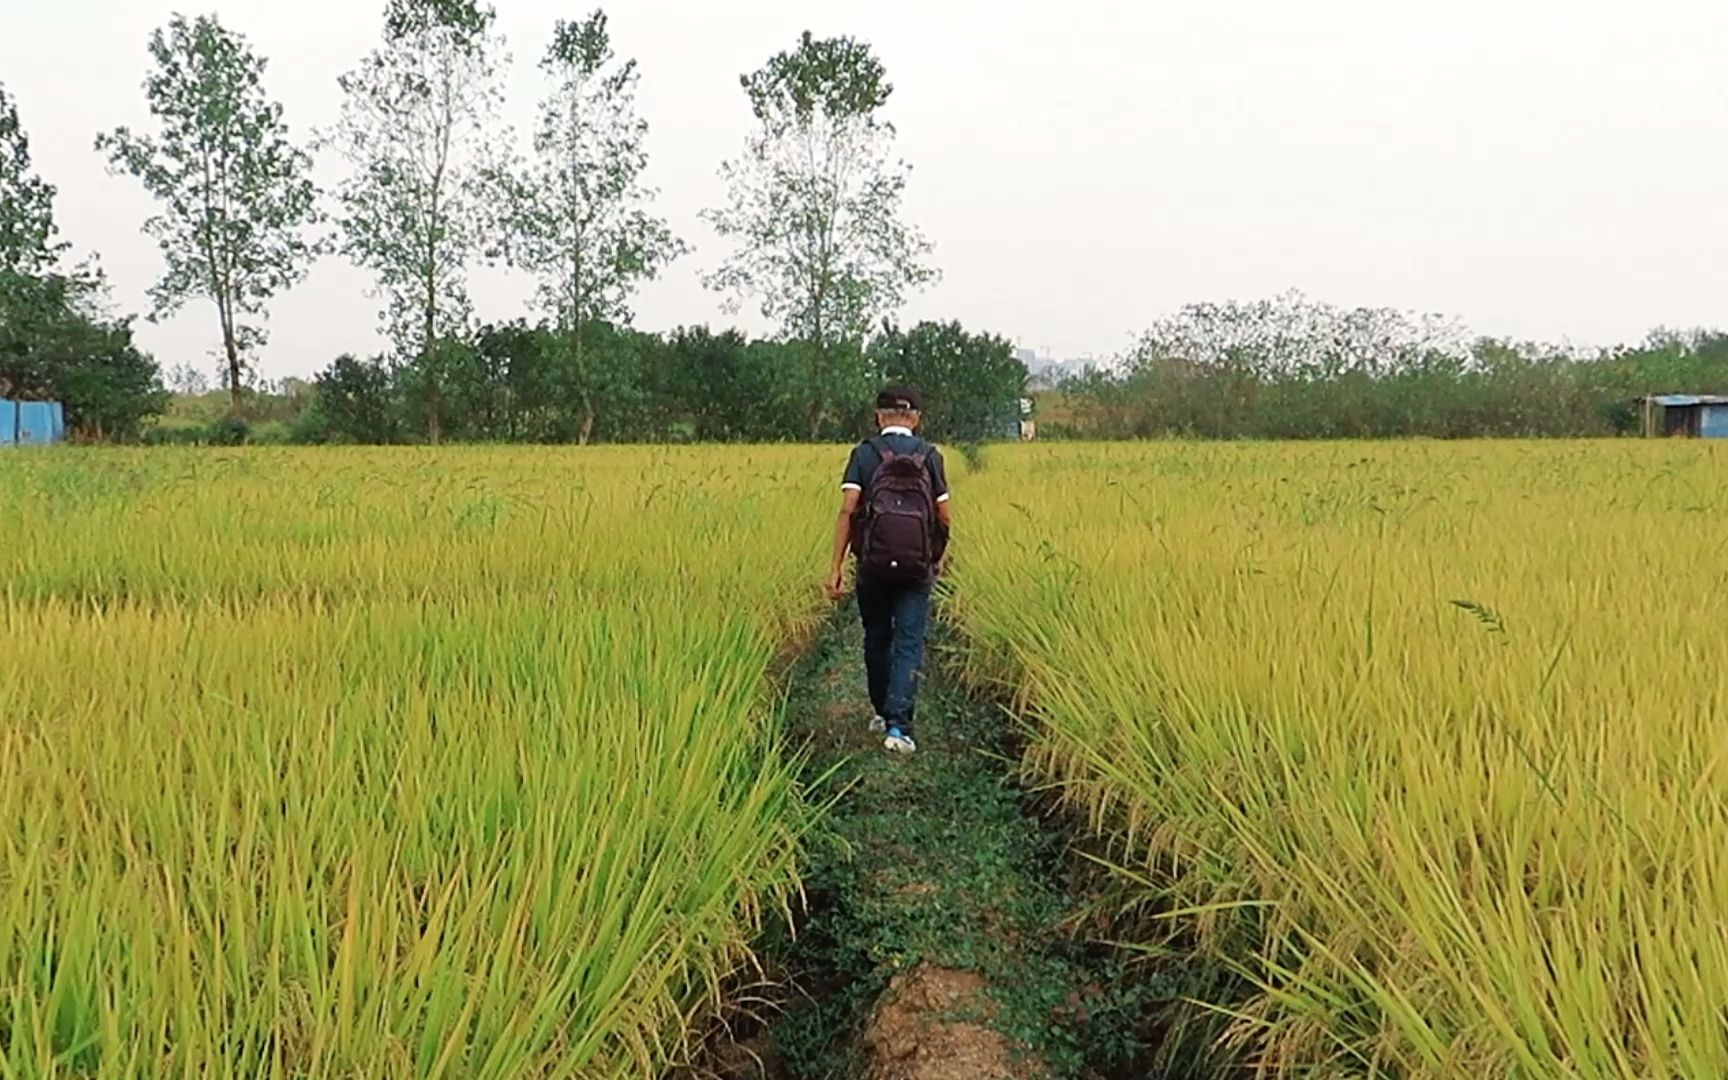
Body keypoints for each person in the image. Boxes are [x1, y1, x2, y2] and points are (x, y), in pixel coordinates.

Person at [826, 385, 953, 754]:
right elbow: (944, 514)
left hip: (872, 565)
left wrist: (835, 565)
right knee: (909, 642)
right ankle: (899, 728)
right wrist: (937, 554)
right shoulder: (930, 456)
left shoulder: (864, 455)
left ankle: (882, 711)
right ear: (916, 418)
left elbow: (848, 509)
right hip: (916, 567)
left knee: (877, 636)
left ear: (879, 416)